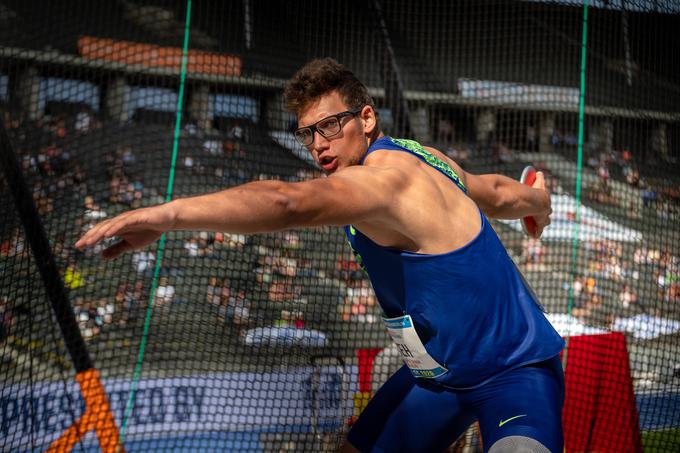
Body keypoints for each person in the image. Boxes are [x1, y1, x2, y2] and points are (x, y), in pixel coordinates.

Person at [75, 58, 564, 453]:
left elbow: (285, 202)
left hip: (513, 370)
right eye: (307, 133)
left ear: (366, 118)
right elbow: (497, 192)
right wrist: (538, 202)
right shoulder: (428, 158)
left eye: (329, 126)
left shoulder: (382, 184)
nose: (318, 145)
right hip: (436, 377)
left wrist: (169, 216)